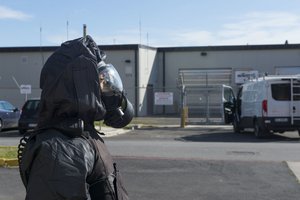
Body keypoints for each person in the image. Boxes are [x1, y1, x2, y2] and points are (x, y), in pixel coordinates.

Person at [18, 35, 133, 200]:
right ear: (80, 84)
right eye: (101, 81)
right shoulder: (61, 150)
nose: (107, 87)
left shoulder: (84, 134)